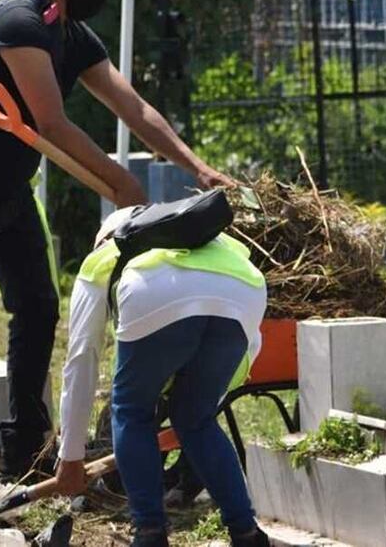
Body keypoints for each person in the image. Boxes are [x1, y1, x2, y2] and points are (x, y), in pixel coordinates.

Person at [0, 0, 233, 485]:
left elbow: (132, 108)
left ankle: (25, 446)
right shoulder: (18, 21)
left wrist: (198, 167)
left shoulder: (70, 34)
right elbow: (51, 122)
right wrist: (119, 185)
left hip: (10, 186)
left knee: (38, 308)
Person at [53, 208, 269, 547]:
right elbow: (249, 348)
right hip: (246, 290)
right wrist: (196, 413)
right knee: (196, 418)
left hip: (152, 291)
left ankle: (150, 533)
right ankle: (247, 533)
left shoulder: (105, 255)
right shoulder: (211, 240)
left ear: (106, 235)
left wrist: (70, 458)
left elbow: (81, 359)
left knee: (131, 410)